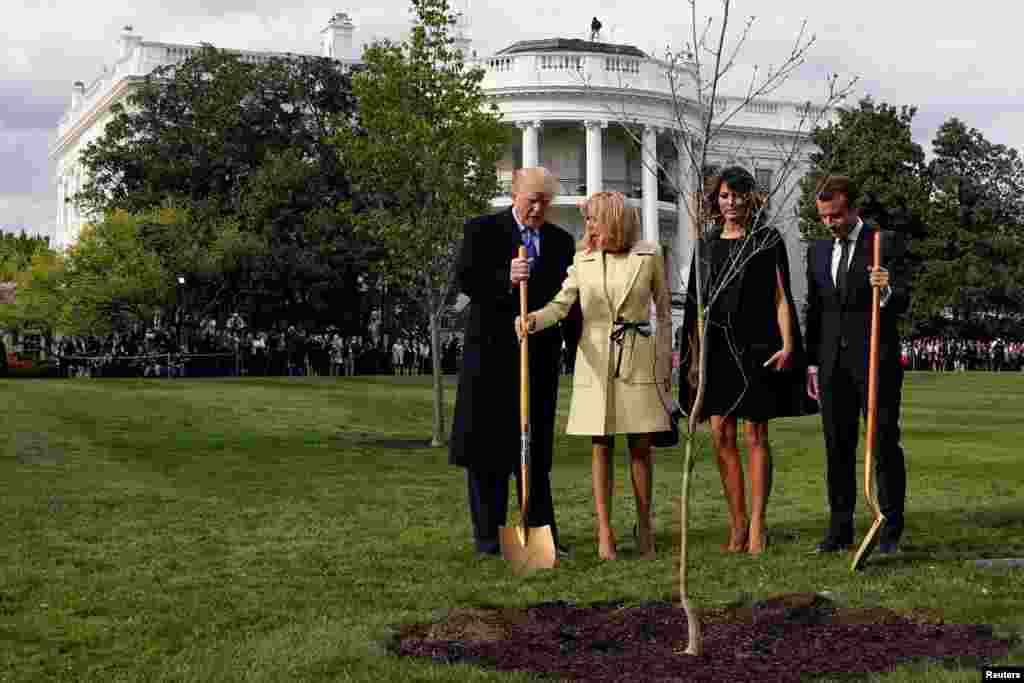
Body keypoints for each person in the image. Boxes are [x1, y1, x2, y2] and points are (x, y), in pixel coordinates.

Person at [517, 191, 671, 560]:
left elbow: (663, 313)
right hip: (595, 359)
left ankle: (644, 526)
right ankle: (605, 532)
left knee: (640, 446)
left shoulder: (649, 256)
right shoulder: (582, 260)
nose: (588, 227)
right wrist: (534, 320)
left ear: (615, 220)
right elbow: (561, 304)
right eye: (587, 220)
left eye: (594, 219)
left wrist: (664, 364)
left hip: (638, 359)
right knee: (600, 445)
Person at [678, 166, 812, 556]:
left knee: (756, 435)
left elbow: (781, 297)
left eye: (737, 195)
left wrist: (788, 344)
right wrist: (695, 358)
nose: (731, 203)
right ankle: (736, 523)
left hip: (759, 348)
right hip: (717, 349)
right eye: (723, 196)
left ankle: (757, 524)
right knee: (720, 435)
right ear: (715, 201)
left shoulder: (767, 240)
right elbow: (695, 308)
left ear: (750, 198)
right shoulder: (705, 246)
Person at [449, 167, 581, 558]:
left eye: (545, 202)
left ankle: (540, 533)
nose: (538, 209)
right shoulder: (482, 230)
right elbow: (466, 280)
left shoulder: (559, 242)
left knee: (533, 451)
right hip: (490, 358)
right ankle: (488, 539)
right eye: (531, 201)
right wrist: (504, 277)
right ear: (514, 195)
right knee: (487, 452)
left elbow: (567, 300)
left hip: (537, 358)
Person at [804, 175, 910, 555]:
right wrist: (813, 363)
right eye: (824, 217)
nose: (829, 223)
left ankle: (890, 528)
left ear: (852, 209)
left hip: (874, 360)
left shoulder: (882, 243)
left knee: (882, 442)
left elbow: (904, 301)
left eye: (835, 216)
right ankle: (840, 528)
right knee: (837, 444)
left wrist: (888, 290)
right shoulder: (817, 251)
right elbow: (815, 311)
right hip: (832, 363)